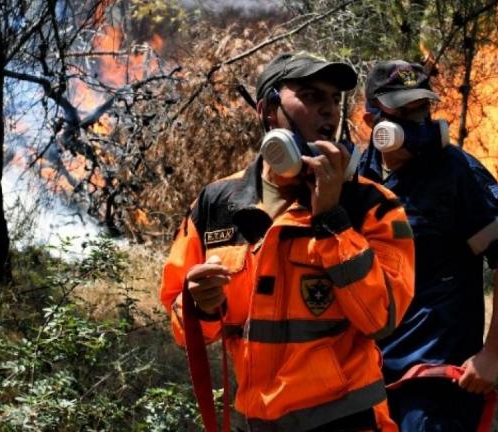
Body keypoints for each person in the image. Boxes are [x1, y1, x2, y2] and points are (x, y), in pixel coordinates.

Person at [160, 51, 415, 432]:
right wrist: (201, 305)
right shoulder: (216, 204)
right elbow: (185, 330)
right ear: (267, 111)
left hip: (346, 421)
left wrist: (332, 220)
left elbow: (382, 318)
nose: (328, 110)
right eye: (312, 97)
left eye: (332, 99)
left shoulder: (370, 204)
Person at [358, 60, 498, 431]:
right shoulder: (356, 176)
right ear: (371, 120)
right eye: (403, 112)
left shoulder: (457, 172)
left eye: (422, 109)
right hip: (364, 377)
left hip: (435, 381)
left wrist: (493, 354)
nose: (418, 122)